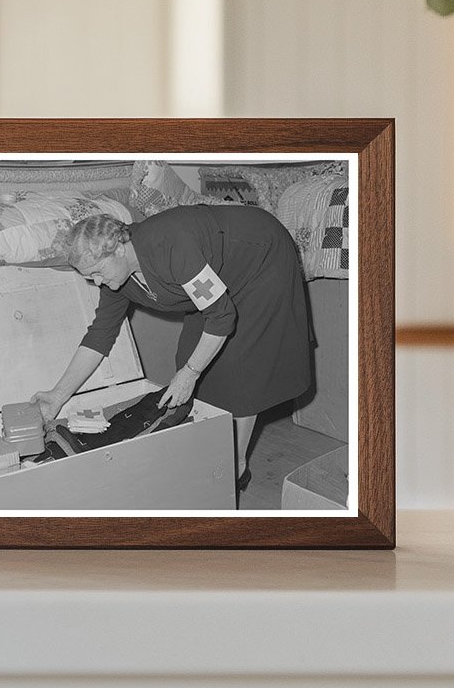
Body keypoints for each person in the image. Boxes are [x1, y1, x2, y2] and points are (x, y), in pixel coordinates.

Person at [31, 204, 312, 491]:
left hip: (259, 258)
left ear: (117, 249)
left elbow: (222, 315)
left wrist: (190, 372)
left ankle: (234, 467)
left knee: (234, 367)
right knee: (190, 357)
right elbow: (99, 335)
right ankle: (210, 451)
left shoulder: (171, 246)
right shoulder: (116, 279)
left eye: (98, 272)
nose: (97, 282)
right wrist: (57, 395)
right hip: (219, 272)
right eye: (89, 277)